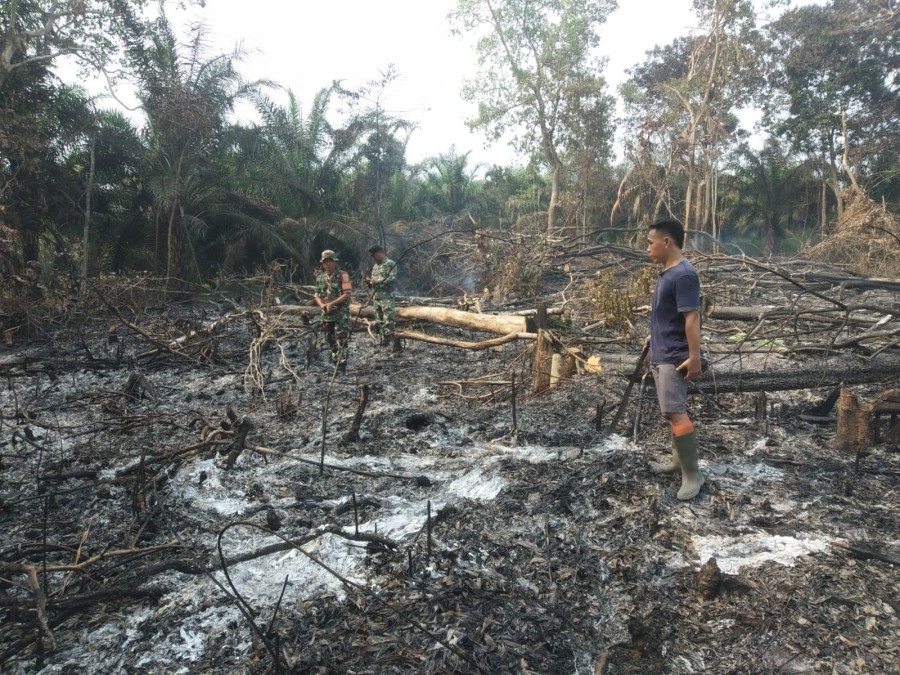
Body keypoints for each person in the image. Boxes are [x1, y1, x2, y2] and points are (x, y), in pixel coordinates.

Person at [644, 218, 705, 500]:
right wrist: (653, 336)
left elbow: (692, 318)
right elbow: (666, 315)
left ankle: (693, 475)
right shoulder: (667, 273)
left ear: (666, 242)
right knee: (669, 412)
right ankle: (678, 462)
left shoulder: (684, 275)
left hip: (674, 356)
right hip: (661, 350)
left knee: (676, 411)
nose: (647, 249)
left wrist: (694, 357)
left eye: (650, 242)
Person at [314, 249, 352, 372]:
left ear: (335, 262)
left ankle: (342, 364)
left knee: (340, 338)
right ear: (322, 263)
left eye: (330, 261)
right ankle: (335, 357)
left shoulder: (343, 275)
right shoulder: (320, 278)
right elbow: (317, 295)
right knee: (328, 338)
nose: (328, 264)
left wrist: (332, 303)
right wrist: (321, 305)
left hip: (341, 314)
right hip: (326, 314)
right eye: (325, 262)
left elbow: (347, 294)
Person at [365, 245, 398, 348]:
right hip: (376, 296)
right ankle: (383, 339)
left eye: (374, 255)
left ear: (380, 253)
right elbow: (373, 281)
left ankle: (391, 340)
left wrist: (377, 281)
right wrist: (369, 282)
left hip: (387, 296)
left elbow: (392, 278)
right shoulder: (375, 266)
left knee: (388, 318)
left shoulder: (390, 263)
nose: (373, 258)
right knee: (379, 319)